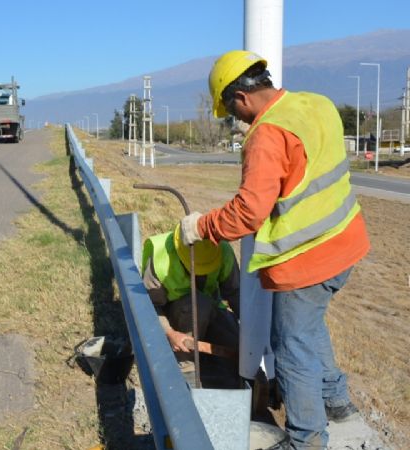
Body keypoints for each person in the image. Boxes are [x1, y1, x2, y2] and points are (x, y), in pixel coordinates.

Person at [180, 50, 370, 449]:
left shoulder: (266, 135)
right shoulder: (315, 104)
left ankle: (306, 440)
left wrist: (201, 226)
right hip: (346, 241)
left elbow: (248, 213)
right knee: (309, 327)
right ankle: (336, 400)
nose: (237, 119)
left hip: (306, 261)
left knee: (293, 346)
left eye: (232, 111)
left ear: (242, 98)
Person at [142, 224, 240, 377]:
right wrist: (169, 333)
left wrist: (249, 336)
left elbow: (236, 294)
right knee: (198, 306)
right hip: (174, 316)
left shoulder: (223, 251)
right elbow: (148, 307)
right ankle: (186, 369)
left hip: (209, 308)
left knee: (236, 341)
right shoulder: (160, 258)